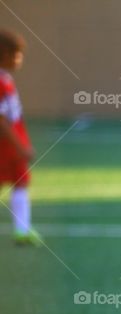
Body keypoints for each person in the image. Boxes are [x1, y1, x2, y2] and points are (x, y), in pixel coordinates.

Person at [0, 29, 39, 247]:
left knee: (21, 182)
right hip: (6, 146)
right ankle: (22, 230)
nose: (19, 59)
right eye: (16, 54)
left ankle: (22, 231)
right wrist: (20, 146)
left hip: (11, 145)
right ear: (4, 54)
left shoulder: (5, 79)